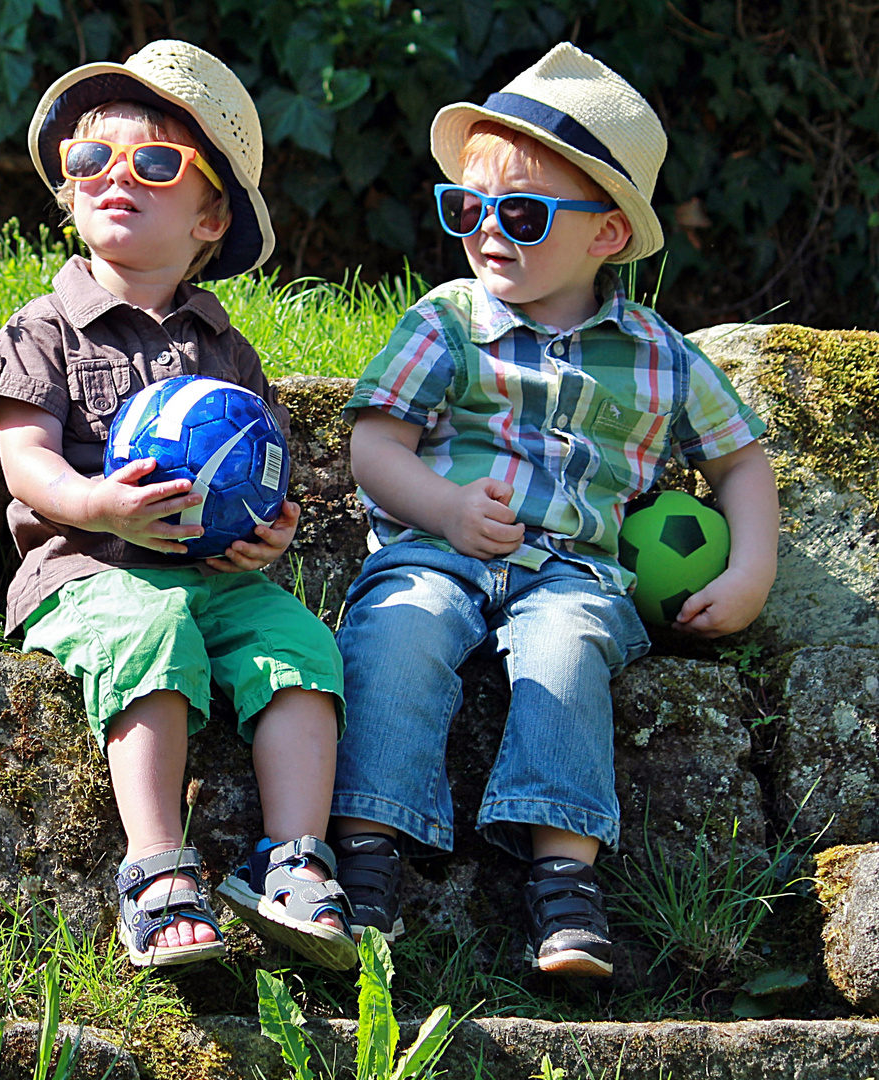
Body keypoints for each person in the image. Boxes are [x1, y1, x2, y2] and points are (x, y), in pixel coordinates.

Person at [331, 42, 779, 977]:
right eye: (469, 208)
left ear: (607, 235)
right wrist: (448, 509)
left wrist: (751, 569)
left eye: (523, 214)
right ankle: (366, 849)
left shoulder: (660, 356)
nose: (489, 231)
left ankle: (564, 879)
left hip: (574, 570)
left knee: (564, 652)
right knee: (397, 633)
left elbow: (741, 459)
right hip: (435, 548)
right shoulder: (448, 319)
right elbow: (372, 444)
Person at [0, 40, 356, 970]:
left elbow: (261, 471)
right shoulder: (45, 327)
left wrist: (268, 536)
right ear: (66, 191)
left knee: (305, 647)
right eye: (90, 162)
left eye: (153, 163)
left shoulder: (225, 348)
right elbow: (25, 462)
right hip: (88, 572)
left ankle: (294, 862)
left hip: (210, 578)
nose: (116, 179)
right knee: (153, 633)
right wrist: (100, 504)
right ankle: (156, 868)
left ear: (210, 215)